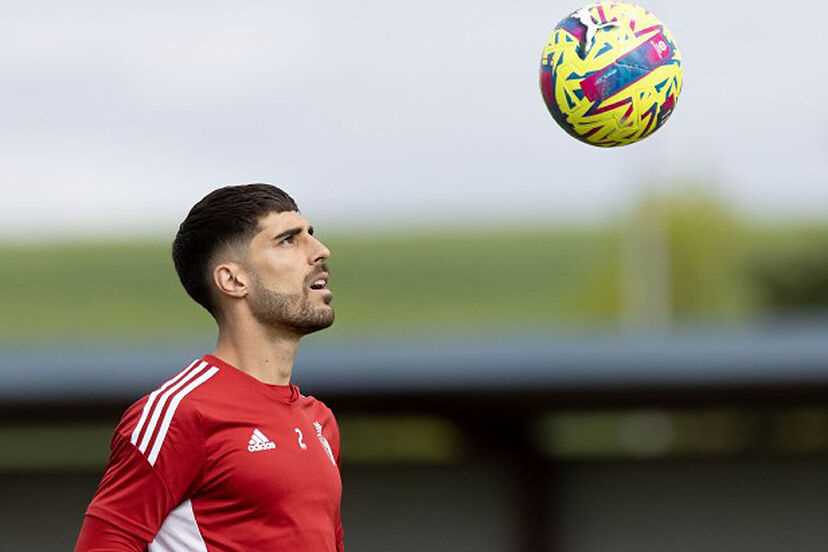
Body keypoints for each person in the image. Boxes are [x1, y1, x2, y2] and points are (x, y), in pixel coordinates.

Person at [75, 184, 344, 551]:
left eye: (310, 235)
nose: (320, 251)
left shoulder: (320, 422)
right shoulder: (180, 413)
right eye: (287, 240)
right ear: (233, 281)